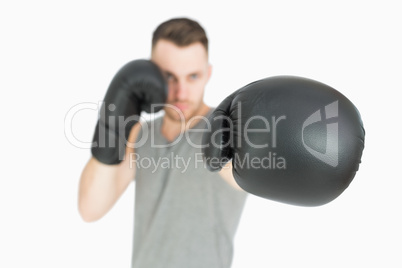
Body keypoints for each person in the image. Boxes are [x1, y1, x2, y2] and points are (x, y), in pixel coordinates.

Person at [78, 17, 248, 268]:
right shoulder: (139, 133)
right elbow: (90, 209)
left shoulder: (225, 127)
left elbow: (242, 177)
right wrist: (113, 123)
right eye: (169, 77)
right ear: (150, 73)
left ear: (208, 74)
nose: (180, 92)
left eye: (192, 76)